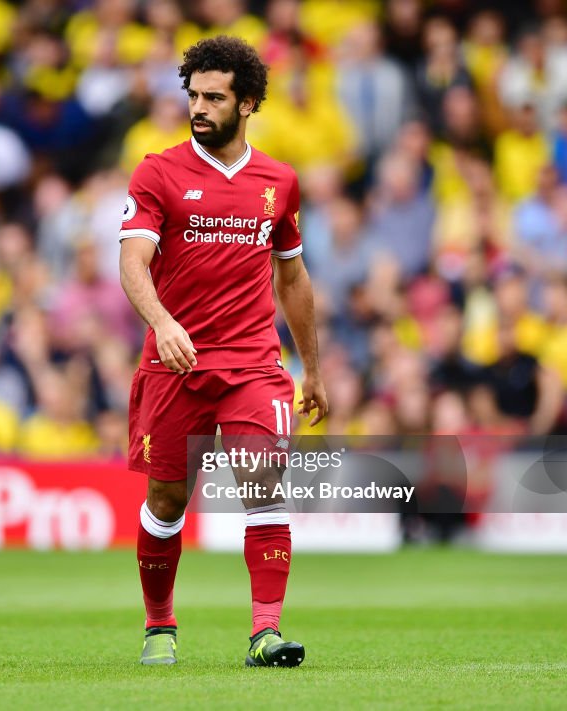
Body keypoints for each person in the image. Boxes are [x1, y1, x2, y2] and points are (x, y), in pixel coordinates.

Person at [119, 36, 327, 667]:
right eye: (194, 96)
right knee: (166, 501)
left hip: (253, 364)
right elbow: (132, 262)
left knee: (263, 480)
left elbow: (291, 277)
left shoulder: (278, 182)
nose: (199, 107)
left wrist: (312, 367)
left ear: (249, 104)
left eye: (214, 97)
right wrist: (163, 322)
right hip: (175, 362)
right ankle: (160, 625)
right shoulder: (157, 171)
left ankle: (265, 632)